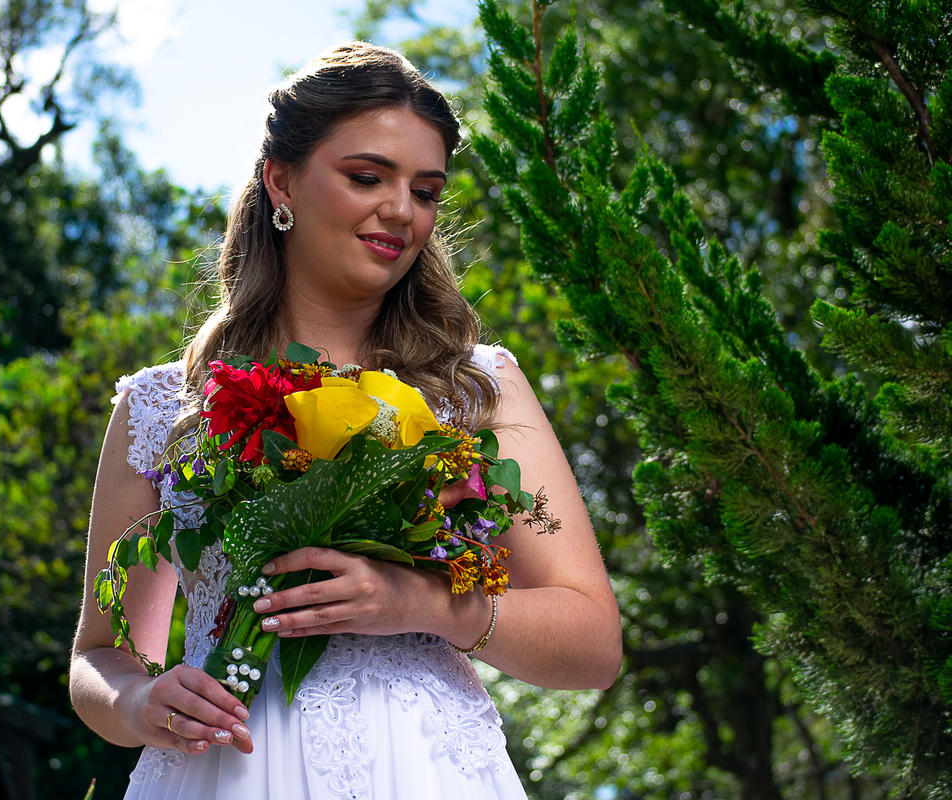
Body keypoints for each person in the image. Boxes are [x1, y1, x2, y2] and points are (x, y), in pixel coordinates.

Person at [69, 42, 622, 800]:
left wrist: (421, 603)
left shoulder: (476, 388)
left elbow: (593, 643)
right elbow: (99, 656)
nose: (401, 210)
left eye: (425, 191)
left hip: (424, 770)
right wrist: (138, 701)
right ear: (281, 180)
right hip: (226, 767)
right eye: (367, 177)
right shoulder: (167, 406)